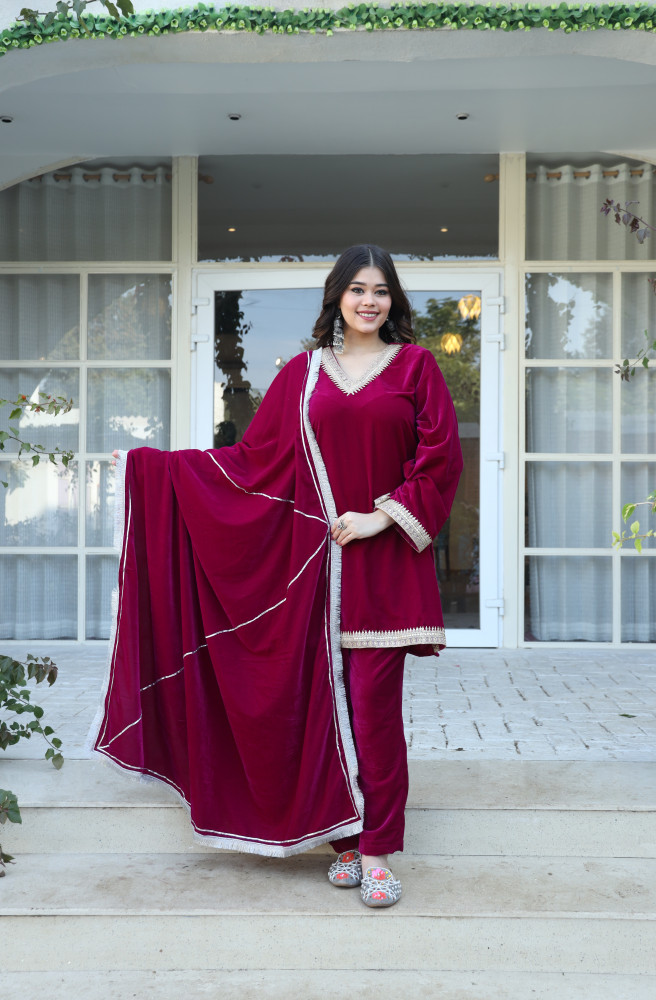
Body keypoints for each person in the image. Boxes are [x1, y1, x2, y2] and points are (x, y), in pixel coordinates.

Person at [92, 244, 462, 910]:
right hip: (311, 575)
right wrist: (152, 470)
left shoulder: (416, 367)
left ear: (393, 301)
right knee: (317, 710)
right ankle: (343, 839)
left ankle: (377, 849)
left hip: (381, 573)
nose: (369, 301)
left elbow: (439, 460)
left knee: (373, 714)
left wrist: (382, 517)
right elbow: (251, 460)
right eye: (356, 290)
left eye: (381, 291)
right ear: (336, 300)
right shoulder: (303, 374)